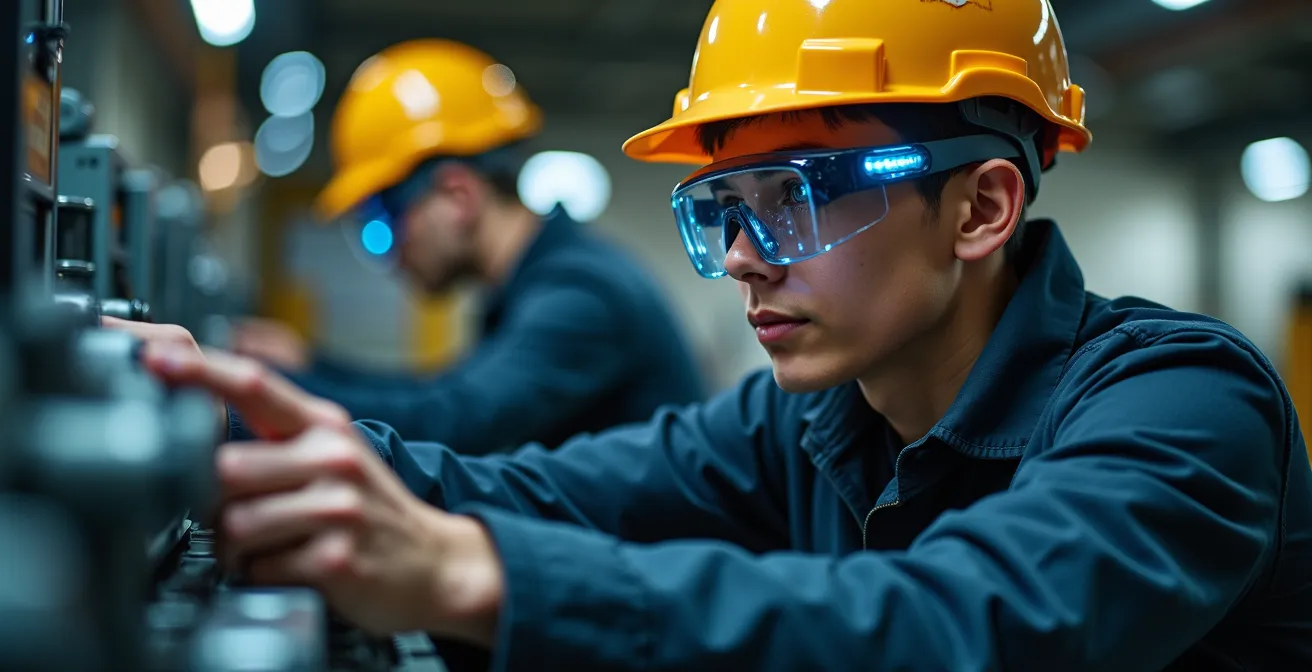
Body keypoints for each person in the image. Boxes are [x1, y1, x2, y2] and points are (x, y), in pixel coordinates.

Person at [113, 1, 1312, 669]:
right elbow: (539, 488)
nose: (742, 257)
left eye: (791, 197)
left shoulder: (1183, 410)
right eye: (723, 211)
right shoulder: (812, 418)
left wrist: (475, 575)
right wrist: (210, 413)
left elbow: (956, 627)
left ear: (981, 207)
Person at [234, 39, 705, 451]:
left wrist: (246, 393)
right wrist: (308, 365)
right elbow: (444, 393)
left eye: (382, 224)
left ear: (458, 196)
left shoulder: (581, 294)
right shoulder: (534, 285)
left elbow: (455, 421)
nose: (391, 256)